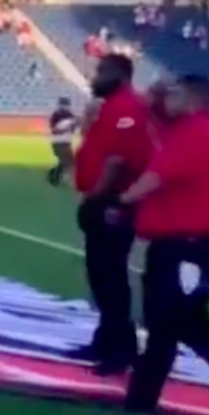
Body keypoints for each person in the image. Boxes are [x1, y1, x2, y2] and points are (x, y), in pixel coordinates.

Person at [107, 75, 209, 415]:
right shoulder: (188, 132)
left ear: (191, 98)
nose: (165, 98)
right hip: (175, 246)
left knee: (188, 323)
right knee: (164, 324)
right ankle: (140, 402)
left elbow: (156, 176)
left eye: (173, 93)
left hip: (188, 247)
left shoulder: (195, 133)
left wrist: (121, 201)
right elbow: (149, 127)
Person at [73, 54, 152, 375]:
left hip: (112, 203)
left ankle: (121, 349)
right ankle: (106, 340)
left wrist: (97, 197)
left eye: (101, 72)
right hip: (104, 200)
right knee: (101, 275)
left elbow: (118, 159)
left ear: (118, 74)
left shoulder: (127, 108)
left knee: (111, 277)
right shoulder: (112, 108)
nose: (94, 78)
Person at [46, 97, 78, 187]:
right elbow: (54, 129)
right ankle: (55, 177)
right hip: (58, 141)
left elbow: (73, 128)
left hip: (66, 141)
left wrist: (71, 127)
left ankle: (54, 177)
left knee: (66, 161)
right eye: (64, 104)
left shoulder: (70, 115)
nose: (65, 107)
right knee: (66, 161)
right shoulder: (56, 115)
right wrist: (64, 128)